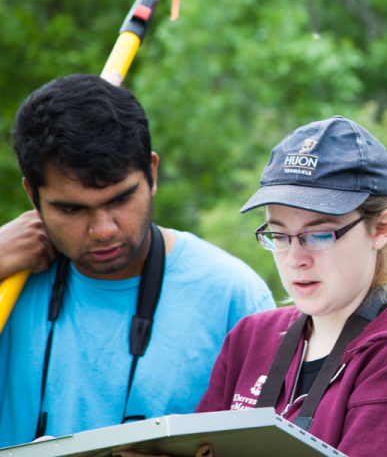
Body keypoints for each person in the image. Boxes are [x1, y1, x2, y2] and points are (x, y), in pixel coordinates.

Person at [153, 115, 387, 457]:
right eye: (278, 234)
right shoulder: (251, 338)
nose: (296, 258)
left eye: (319, 235)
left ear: (382, 228)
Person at [0, 75, 275, 448]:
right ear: (33, 195)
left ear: (152, 173)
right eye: (71, 209)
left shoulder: (233, 296)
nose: (102, 229)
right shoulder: (9, 276)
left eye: (119, 200)